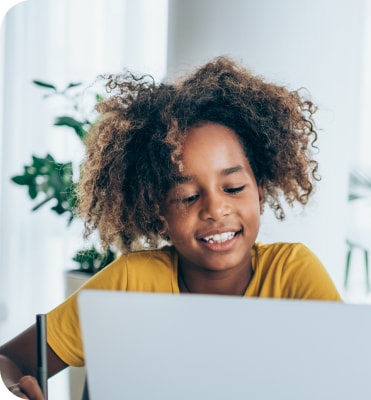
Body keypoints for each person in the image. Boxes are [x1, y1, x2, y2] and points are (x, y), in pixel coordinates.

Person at [0, 56, 341, 399]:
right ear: (158, 215)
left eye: (234, 188)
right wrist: (22, 386)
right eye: (188, 196)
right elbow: (11, 358)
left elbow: (345, 371)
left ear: (260, 193)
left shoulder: (292, 272)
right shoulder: (131, 281)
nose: (215, 209)